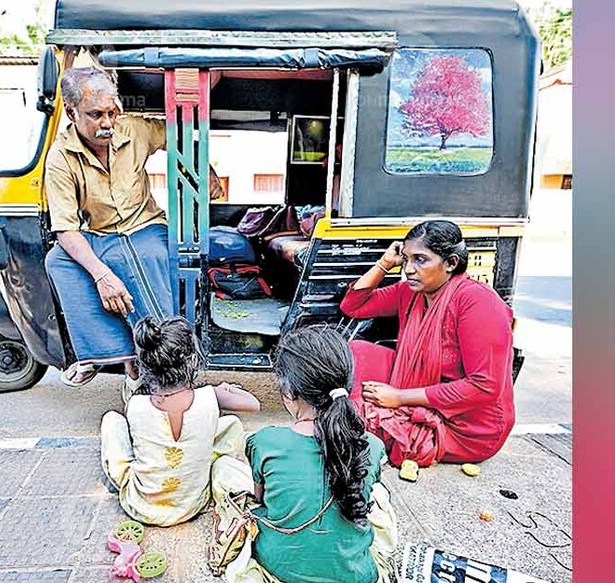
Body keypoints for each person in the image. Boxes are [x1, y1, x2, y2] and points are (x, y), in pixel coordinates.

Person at [43, 67, 224, 398]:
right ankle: (123, 358)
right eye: (96, 115)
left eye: (112, 112)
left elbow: (179, 134)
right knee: (59, 261)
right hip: (102, 234)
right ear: (71, 112)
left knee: (150, 257)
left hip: (146, 227)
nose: (108, 123)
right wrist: (101, 276)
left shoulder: (135, 129)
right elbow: (66, 228)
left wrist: (205, 167)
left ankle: (168, 357)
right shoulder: (59, 158)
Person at [225, 326, 398, 583]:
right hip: (357, 576)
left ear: (289, 392)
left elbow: (261, 501)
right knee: (380, 495)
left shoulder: (264, 442)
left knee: (225, 471)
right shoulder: (371, 446)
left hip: (279, 568)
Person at [340, 220, 516, 469]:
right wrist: (385, 263)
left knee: (355, 420)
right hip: (422, 391)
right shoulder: (412, 292)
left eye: (420, 260)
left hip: (468, 426)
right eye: (406, 259)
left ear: (451, 263)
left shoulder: (478, 303)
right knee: (356, 352)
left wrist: (399, 398)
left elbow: (485, 386)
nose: (409, 269)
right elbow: (353, 306)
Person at [100, 317, 260, 527]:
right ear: (192, 361)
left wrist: (131, 372)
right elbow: (253, 404)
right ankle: (201, 462)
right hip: (192, 505)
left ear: (146, 364)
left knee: (112, 420)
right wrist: (226, 388)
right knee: (231, 423)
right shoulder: (210, 396)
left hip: (141, 507)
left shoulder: (136, 405)